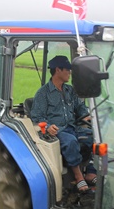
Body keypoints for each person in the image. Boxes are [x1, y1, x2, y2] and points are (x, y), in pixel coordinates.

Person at [30, 55, 96, 193]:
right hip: (58, 131)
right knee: (70, 141)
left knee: (95, 136)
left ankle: (90, 171)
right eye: (67, 70)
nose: (69, 73)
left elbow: (80, 108)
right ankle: (78, 177)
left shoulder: (69, 90)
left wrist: (90, 116)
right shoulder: (43, 94)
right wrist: (48, 127)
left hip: (73, 127)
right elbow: (37, 116)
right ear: (58, 70)